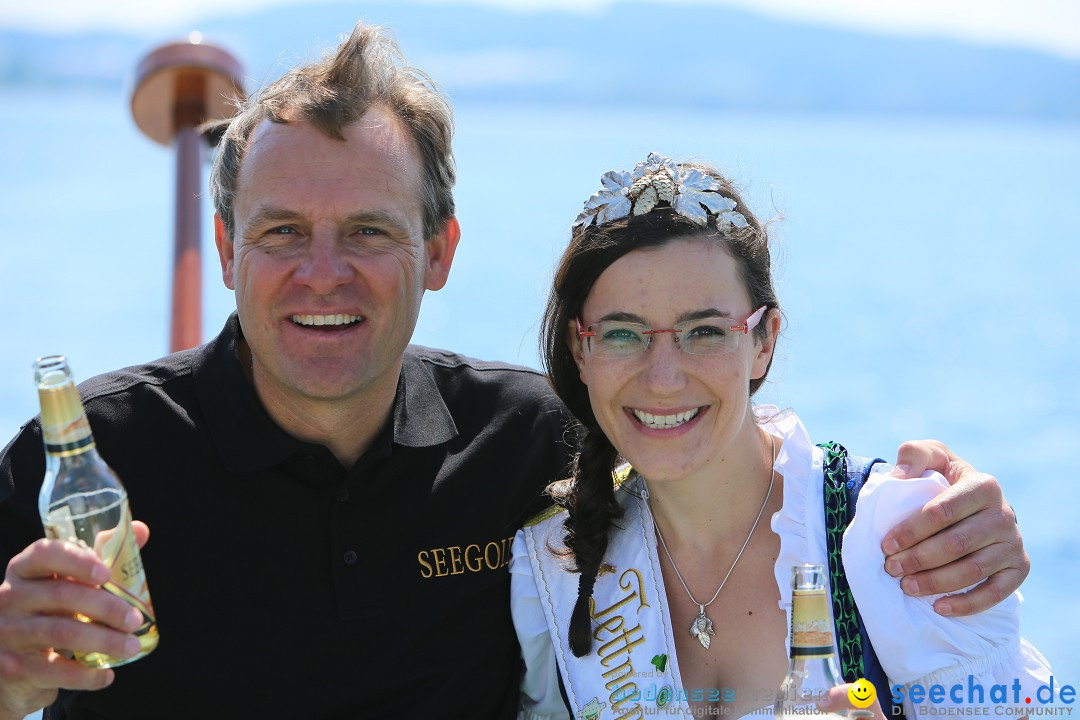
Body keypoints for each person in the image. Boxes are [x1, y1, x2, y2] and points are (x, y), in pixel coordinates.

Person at [0, 23, 1026, 720]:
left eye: (368, 229)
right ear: (225, 252)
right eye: (282, 233)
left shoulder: (530, 444)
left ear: (440, 252)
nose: (324, 271)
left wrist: (926, 504)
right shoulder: (92, 455)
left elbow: (701, 444)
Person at [510, 154, 1052, 720]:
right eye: (623, 333)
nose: (663, 378)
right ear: (581, 349)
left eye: (705, 332)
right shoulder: (552, 568)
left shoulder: (892, 538)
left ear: (764, 340)